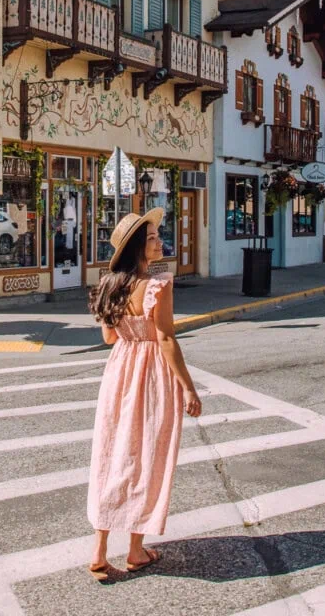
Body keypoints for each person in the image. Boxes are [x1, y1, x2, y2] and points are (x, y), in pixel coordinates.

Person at [86, 209, 202, 581]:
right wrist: (188, 386)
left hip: (119, 372)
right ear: (138, 246)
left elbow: (108, 338)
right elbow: (166, 338)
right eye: (151, 237)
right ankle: (135, 549)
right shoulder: (158, 285)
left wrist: (130, 329)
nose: (159, 241)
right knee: (146, 457)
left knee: (112, 455)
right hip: (152, 373)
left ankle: (99, 551)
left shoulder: (108, 285)